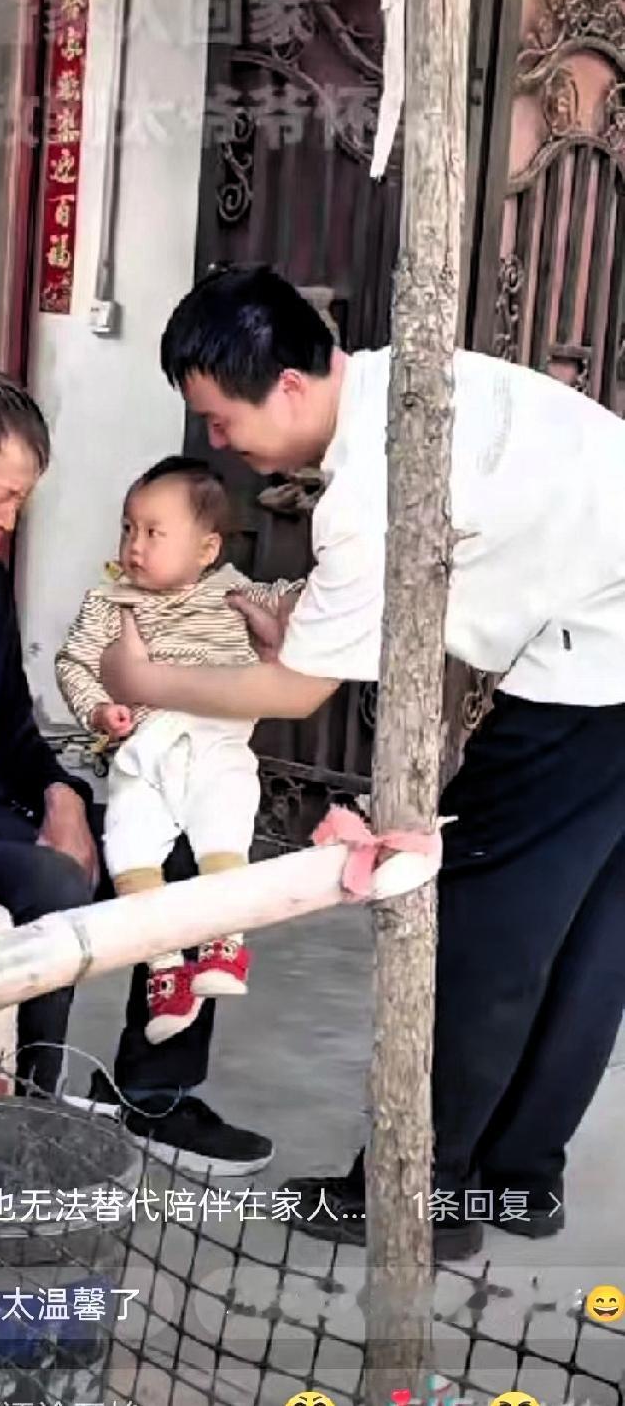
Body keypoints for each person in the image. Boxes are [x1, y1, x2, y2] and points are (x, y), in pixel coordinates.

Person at [100, 264, 625, 1260]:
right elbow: (397, 579)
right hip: (607, 630)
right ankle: (517, 1180)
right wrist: (303, 614)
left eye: (219, 419)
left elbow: (298, 692)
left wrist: (146, 673)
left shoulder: (371, 481)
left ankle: (415, 1193)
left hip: (597, 666)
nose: (217, 443)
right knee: (592, 928)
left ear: (289, 386)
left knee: (476, 922)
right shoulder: (413, 375)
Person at [0, 368, 273, 1174]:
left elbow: (14, 730)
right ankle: (32, 1110)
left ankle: (154, 1097)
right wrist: (31, 831)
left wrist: (63, 795)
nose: (8, 523)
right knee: (48, 878)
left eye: (21, 501)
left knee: (176, 858)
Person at [56, 454, 301, 1044]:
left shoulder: (234, 593)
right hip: (143, 755)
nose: (135, 546)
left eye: (154, 533)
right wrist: (97, 708)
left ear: (206, 549)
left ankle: (224, 940)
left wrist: (286, 616)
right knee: (129, 849)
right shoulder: (110, 601)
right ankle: (166, 971)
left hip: (215, 741)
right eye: (128, 528)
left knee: (223, 828)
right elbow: (74, 661)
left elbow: (290, 605)